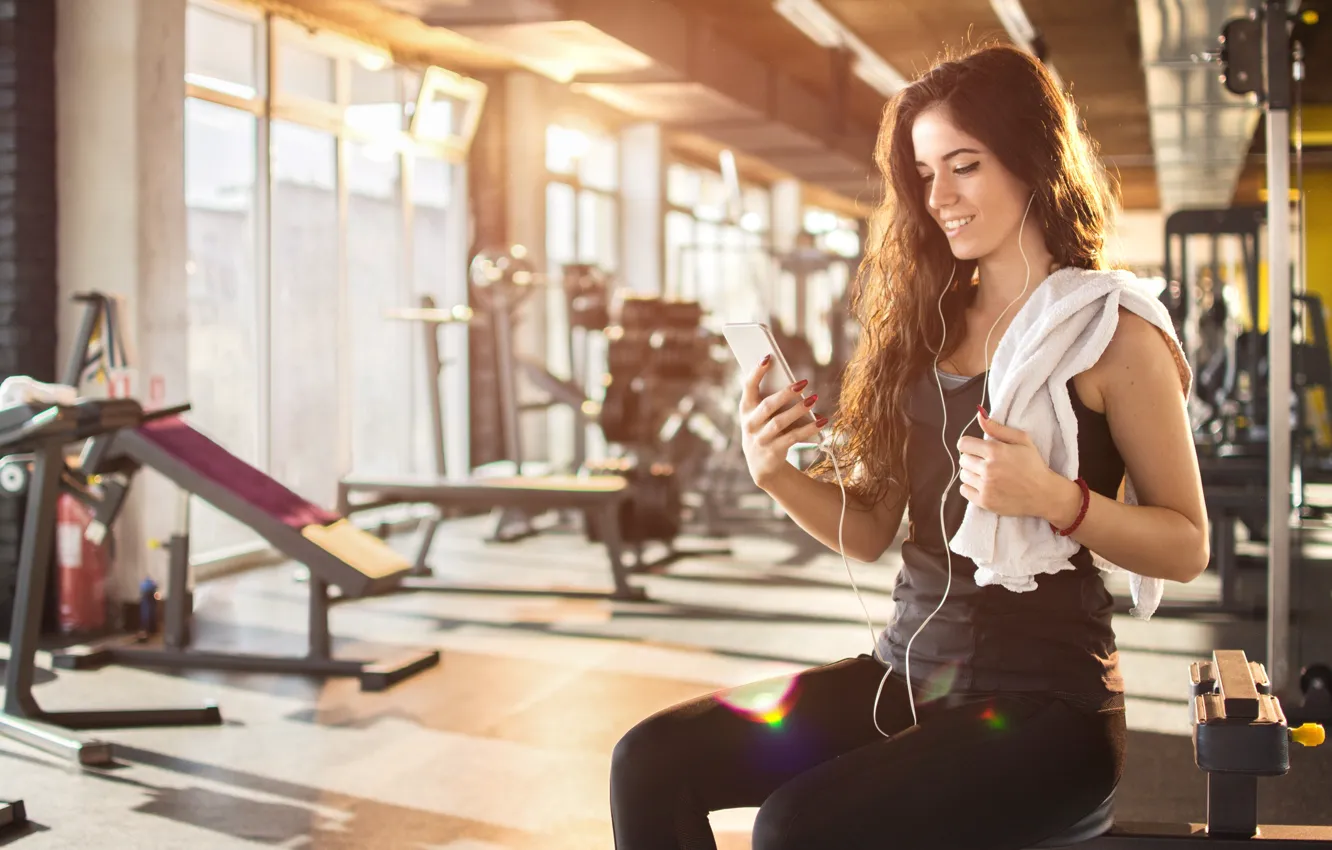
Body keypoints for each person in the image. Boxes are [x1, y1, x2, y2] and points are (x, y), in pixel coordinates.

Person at [608, 43, 1209, 850]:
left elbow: (1185, 545)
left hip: (1048, 711)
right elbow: (869, 530)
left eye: (964, 165)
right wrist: (772, 473)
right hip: (907, 672)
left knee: (796, 827)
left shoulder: (1111, 332)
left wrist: (1054, 500)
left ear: (1031, 160)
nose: (941, 197)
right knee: (649, 760)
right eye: (925, 175)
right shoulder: (923, 331)